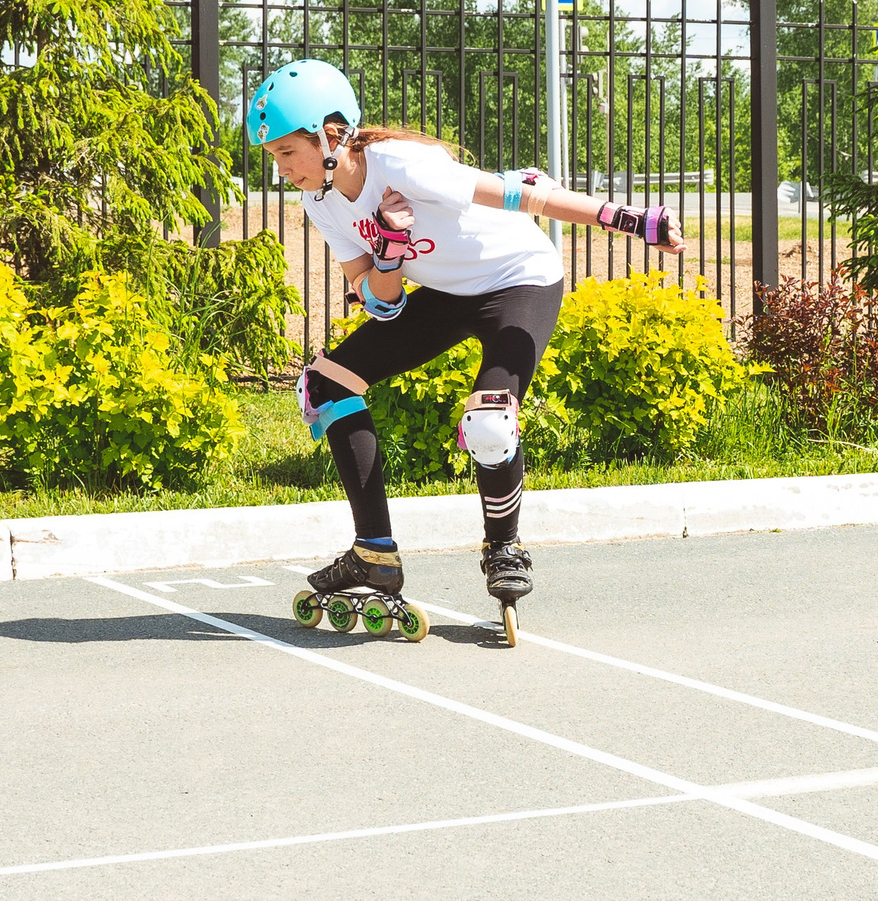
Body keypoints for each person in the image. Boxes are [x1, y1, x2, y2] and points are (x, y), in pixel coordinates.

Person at [246, 58, 682, 632]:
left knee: (490, 422)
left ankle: (504, 547)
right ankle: (374, 552)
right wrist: (389, 253)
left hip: (519, 279)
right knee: (326, 384)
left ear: (331, 134)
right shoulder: (322, 200)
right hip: (449, 292)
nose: (281, 171)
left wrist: (627, 219)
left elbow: (526, 197)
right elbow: (382, 302)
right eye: (274, 157)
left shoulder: (402, 164)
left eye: (286, 153)